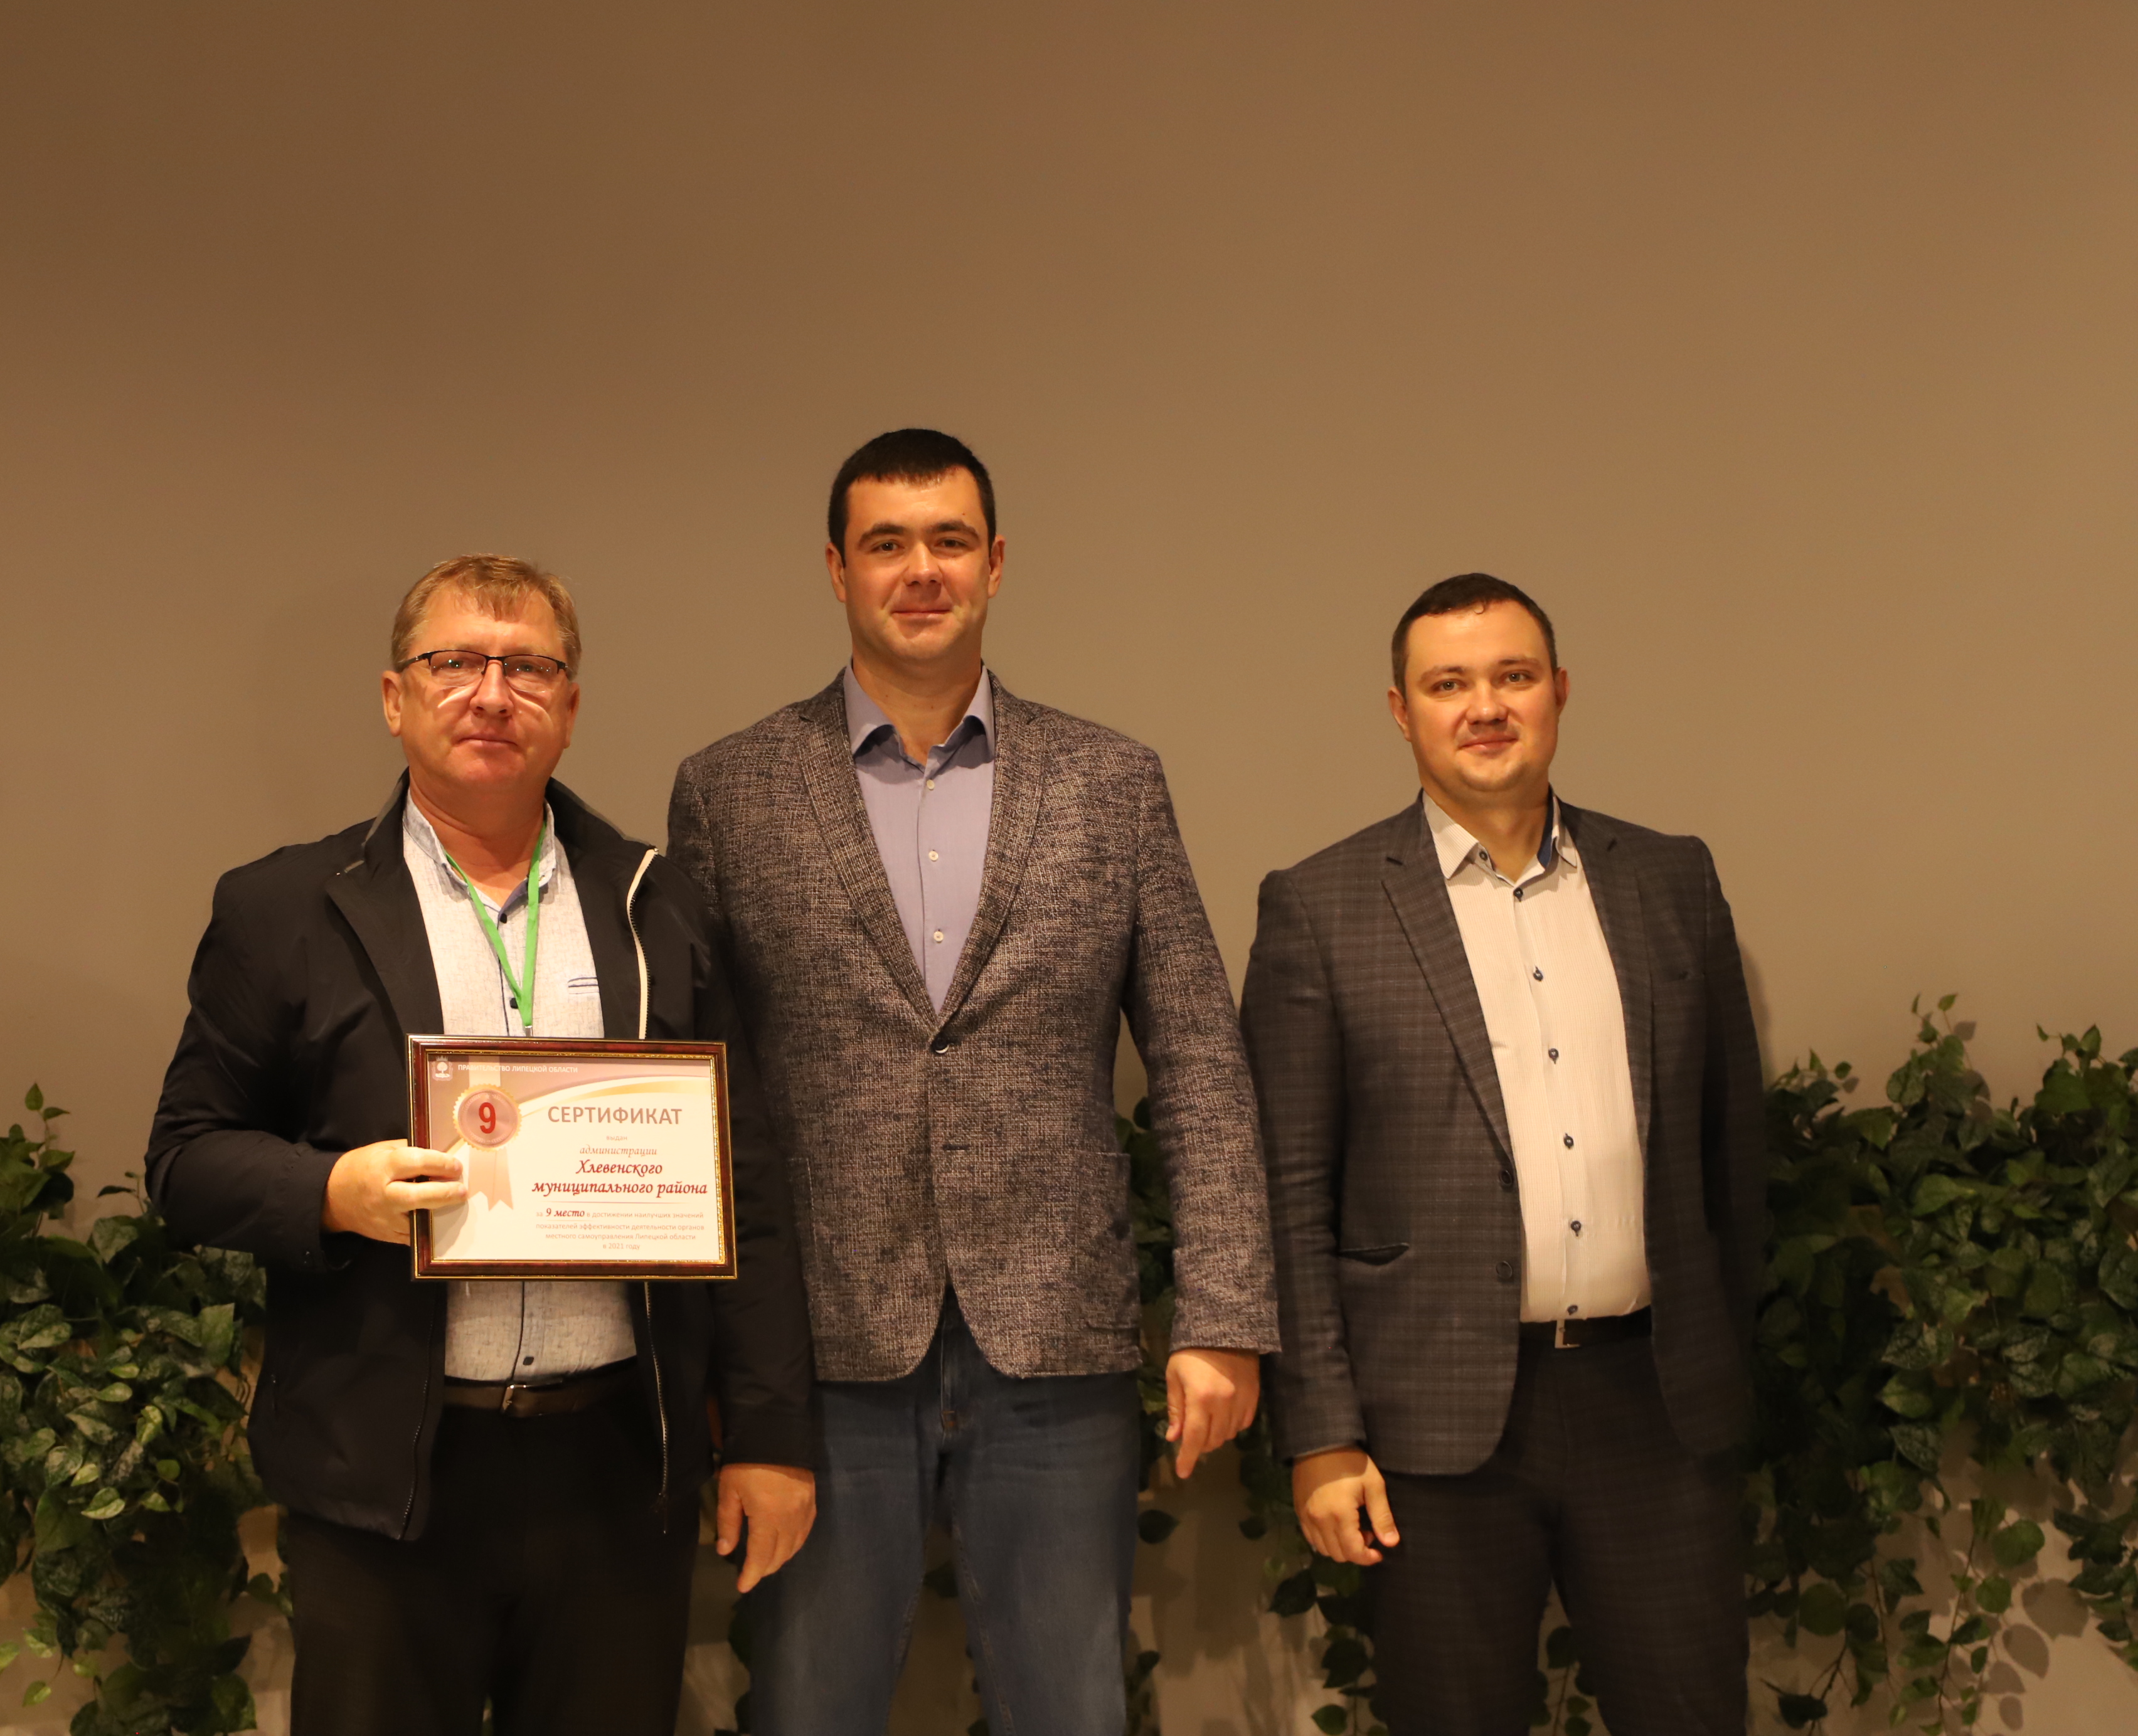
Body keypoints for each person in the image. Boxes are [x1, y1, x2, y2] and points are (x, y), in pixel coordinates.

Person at [144, 554, 817, 1736]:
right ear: (395, 698)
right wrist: (332, 1191)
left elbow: (744, 1183)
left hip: (614, 1470)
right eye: (455, 662)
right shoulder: (285, 909)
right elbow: (185, 1159)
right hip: (388, 1476)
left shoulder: (660, 906)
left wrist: (768, 1434)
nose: (492, 694)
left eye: (529, 669)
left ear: (571, 705)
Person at [667, 429, 1274, 1736]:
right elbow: (702, 1092)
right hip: (823, 1354)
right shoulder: (729, 791)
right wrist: (720, 1355)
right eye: (886, 543)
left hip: (1054, 1339)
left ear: (995, 563)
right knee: (809, 1711)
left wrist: (1222, 1311)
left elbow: (1199, 1060)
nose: (921, 569)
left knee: (1071, 1711)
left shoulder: (1111, 782)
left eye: (949, 540)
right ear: (836, 567)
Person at [1243, 573, 1763, 1734]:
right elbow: (1287, 1198)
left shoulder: (1672, 878)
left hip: (1654, 1406)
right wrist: (1321, 1434)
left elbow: (1732, 1150)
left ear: (1560, 691)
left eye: (1513, 676)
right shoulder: (1320, 908)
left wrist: (1720, 1351)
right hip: (1429, 1429)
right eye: (1449, 684)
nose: (1485, 707)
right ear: (1402, 711)